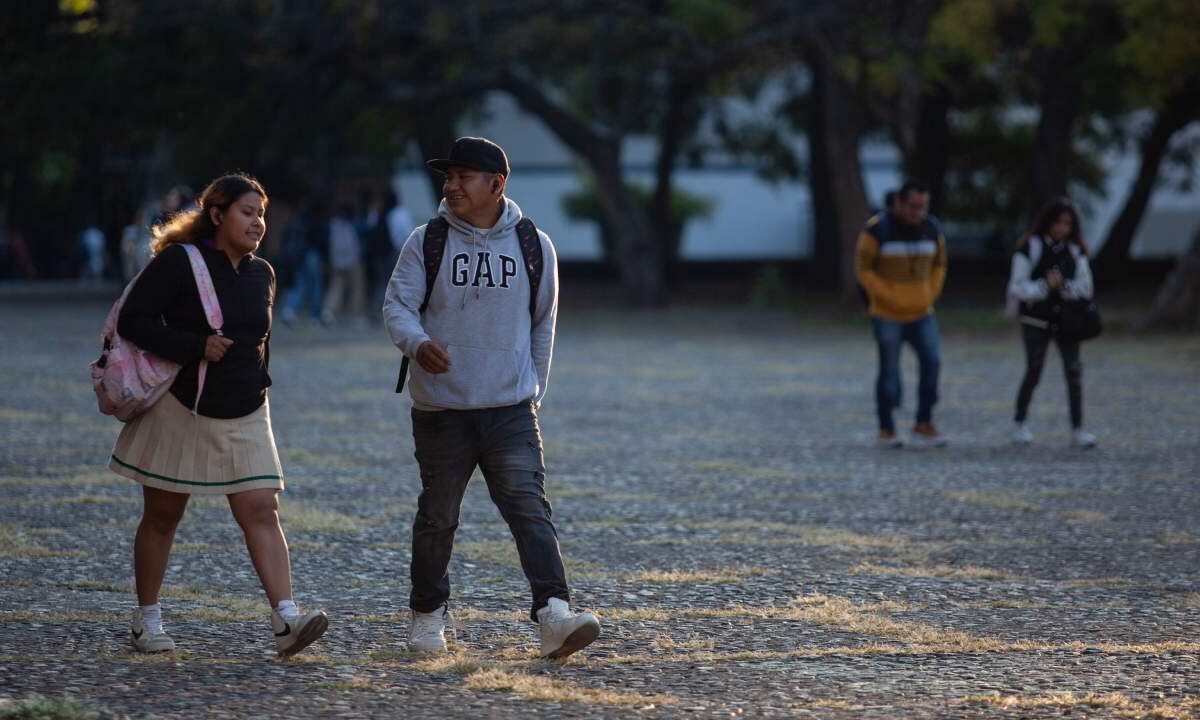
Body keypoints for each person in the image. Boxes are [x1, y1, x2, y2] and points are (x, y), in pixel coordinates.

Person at [383, 137, 600, 659]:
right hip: (442, 410)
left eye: (462, 177)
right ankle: (427, 616)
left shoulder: (533, 244)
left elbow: (542, 325)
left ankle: (554, 615)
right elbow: (397, 306)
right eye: (448, 177)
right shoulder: (426, 240)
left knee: (529, 509)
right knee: (438, 515)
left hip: (510, 410)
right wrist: (417, 343)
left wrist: (532, 393)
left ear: (496, 185)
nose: (451, 186)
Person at [108, 173, 328, 656]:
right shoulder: (179, 264)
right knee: (164, 514)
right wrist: (194, 346)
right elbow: (133, 320)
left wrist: (259, 379)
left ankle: (286, 619)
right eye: (247, 212)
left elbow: (259, 339)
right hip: (181, 405)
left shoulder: (261, 273)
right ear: (217, 215)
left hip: (247, 408)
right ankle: (147, 620)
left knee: (261, 509)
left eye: (262, 214)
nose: (258, 222)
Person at [855, 178, 949, 448]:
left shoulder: (932, 229)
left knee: (932, 362)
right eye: (912, 206)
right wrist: (887, 295)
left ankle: (924, 422)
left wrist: (929, 293)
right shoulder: (877, 231)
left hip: (922, 311)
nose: (917, 213)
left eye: (922, 207)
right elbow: (863, 269)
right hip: (887, 313)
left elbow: (940, 265)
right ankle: (886, 428)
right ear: (898, 202)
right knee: (889, 372)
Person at [1007, 197, 1096, 448]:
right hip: (1036, 319)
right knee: (1034, 369)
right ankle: (1020, 422)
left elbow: (1085, 286)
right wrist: (1045, 287)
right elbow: (1018, 286)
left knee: (1074, 370)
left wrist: (1063, 286)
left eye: (1067, 224)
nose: (1061, 229)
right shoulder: (1030, 248)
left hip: (1068, 320)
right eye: (1057, 223)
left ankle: (1078, 427)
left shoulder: (1075, 251)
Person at [321, 204, 367, 325]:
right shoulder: (353, 225)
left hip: (337, 261)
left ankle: (328, 312)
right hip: (353, 261)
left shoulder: (332, 224)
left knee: (336, 287)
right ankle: (356, 316)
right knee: (356, 288)